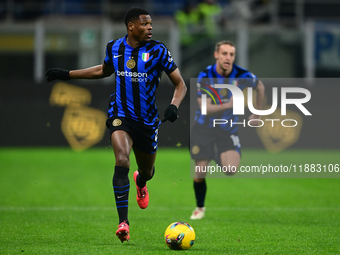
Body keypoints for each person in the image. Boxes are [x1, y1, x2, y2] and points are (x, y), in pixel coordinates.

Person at [45, 7, 187, 242]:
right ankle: (124, 222)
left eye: (151, 23)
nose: (150, 27)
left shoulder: (159, 50)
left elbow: (180, 84)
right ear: (131, 26)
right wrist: (67, 74)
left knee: (147, 172)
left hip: (148, 121)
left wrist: (174, 105)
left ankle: (141, 182)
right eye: (144, 23)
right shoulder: (114, 47)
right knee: (121, 159)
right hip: (120, 114)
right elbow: (103, 70)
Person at [190, 40, 264, 220]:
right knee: (200, 171)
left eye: (231, 54)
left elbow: (260, 86)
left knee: (230, 169)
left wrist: (257, 113)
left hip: (227, 129)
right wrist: (230, 104)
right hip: (204, 127)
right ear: (216, 55)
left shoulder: (242, 75)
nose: (228, 58)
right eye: (224, 54)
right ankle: (200, 207)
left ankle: (214, 154)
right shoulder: (205, 75)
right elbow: (204, 107)